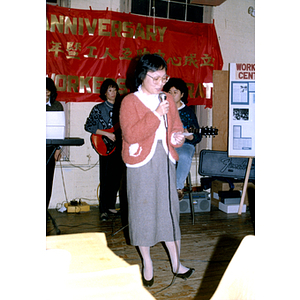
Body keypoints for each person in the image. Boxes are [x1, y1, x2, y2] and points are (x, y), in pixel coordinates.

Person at [119, 54, 195, 287]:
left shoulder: (168, 100)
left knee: (169, 211)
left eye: (165, 77)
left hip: (164, 160)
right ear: (142, 76)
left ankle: (176, 263)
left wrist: (178, 137)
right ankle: (148, 263)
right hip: (140, 164)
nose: (162, 83)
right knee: (143, 214)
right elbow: (131, 135)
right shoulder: (130, 102)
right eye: (156, 77)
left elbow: (176, 130)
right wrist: (156, 115)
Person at [84, 79, 124, 221]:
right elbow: (89, 126)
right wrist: (107, 134)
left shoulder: (122, 107)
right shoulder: (98, 109)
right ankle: (103, 209)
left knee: (117, 178)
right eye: (110, 91)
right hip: (105, 145)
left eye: (115, 90)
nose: (113, 93)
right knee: (105, 178)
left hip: (119, 146)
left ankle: (111, 206)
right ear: (105, 93)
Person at [163, 78, 201, 200]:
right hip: (166, 144)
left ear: (182, 94)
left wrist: (190, 136)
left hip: (184, 145)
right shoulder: (163, 109)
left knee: (184, 156)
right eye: (170, 92)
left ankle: (178, 188)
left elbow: (197, 136)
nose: (172, 95)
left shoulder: (188, 112)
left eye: (175, 92)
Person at [46, 77, 64, 209]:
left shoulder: (57, 106)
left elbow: (61, 128)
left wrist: (59, 148)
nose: (46, 94)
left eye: (48, 91)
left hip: (50, 148)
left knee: (47, 179)